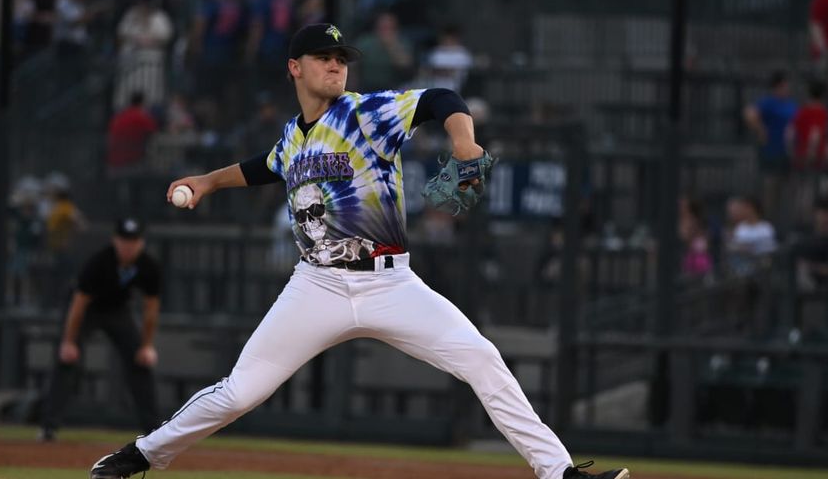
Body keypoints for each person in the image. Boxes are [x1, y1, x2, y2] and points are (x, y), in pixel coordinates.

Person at [89, 24, 627, 479]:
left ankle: (559, 473)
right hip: (316, 285)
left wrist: (463, 140)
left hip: (390, 284)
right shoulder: (294, 139)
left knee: (482, 358)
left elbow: (441, 100)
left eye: (341, 59)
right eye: (323, 58)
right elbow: (263, 166)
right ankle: (139, 455)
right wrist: (207, 181)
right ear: (294, 67)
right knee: (238, 394)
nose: (336, 67)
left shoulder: (368, 114)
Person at [39, 218, 162, 442]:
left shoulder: (148, 266)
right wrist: (69, 341)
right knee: (67, 360)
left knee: (140, 361)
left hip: (117, 310)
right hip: (88, 310)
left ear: (141, 243)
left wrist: (146, 345)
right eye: (124, 241)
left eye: (133, 242)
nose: (128, 247)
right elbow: (78, 305)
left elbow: (151, 309)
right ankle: (49, 427)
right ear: (115, 241)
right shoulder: (99, 262)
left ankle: (155, 431)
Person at [743, 70, 797, 226]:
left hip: (788, 155)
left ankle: (785, 225)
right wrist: (760, 129)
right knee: (770, 190)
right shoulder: (768, 103)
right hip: (772, 153)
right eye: (784, 86)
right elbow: (749, 113)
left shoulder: (791, 104)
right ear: (777, 87)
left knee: (788, 192)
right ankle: (767, 222)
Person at [116, 0, 174, 109]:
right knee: (126, 95)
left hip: (152, 63)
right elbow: (121, 35)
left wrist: (147, 39)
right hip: (131, 61)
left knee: (151, 95)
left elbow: (165, 38)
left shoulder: (160, 17)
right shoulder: (130, 15)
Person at [107, 92, 160, 169]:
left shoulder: (120, 116)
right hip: (131, 158)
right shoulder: (141, 117)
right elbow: (154, 130)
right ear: (142, 103)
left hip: (114, 157)